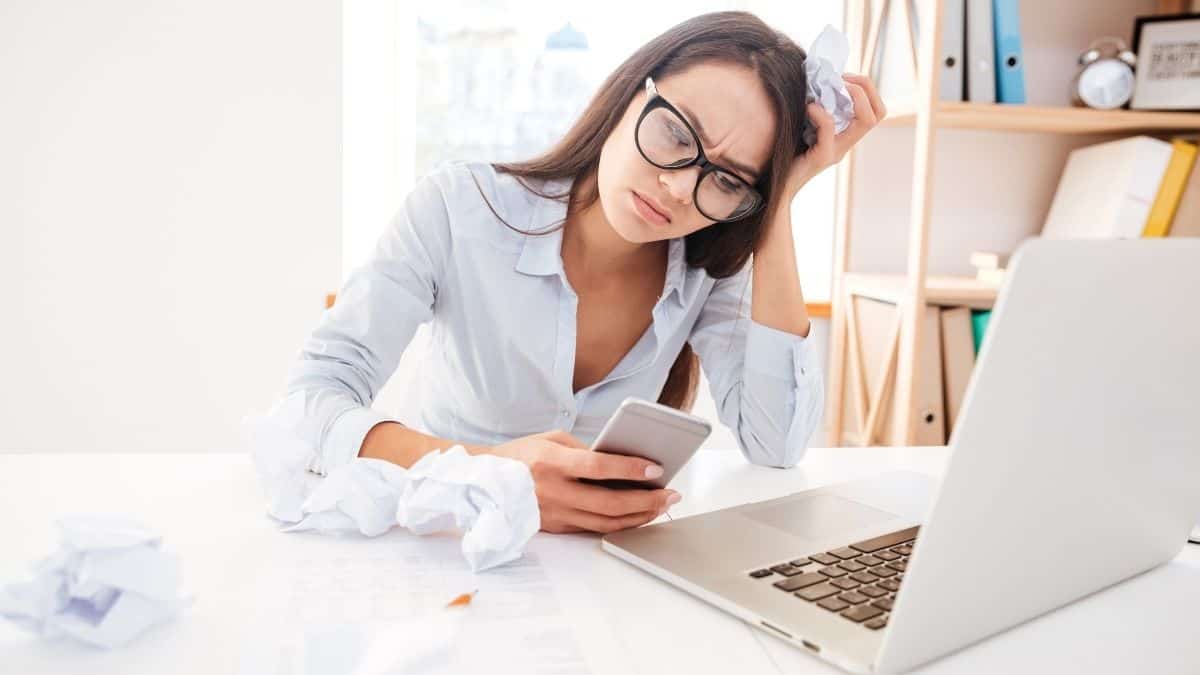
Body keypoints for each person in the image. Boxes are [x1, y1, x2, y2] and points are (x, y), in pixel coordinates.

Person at [267, 11, 885, 534]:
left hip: (610, 578)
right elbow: (308, 406)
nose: (676, 188)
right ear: (630, 92)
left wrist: (778, 204)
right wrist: (492, 472)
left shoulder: (706, 266)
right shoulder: (458, 208)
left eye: (725, 179)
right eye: (675, 132)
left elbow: (777, 446)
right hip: (444, 550)